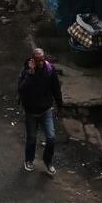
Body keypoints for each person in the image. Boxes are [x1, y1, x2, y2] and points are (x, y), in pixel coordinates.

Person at [18, 48, 62, 176]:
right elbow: (21, 89)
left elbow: (56, 88)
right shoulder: (27, 71)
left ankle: (48, 162)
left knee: (51, 138)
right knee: (31, 138)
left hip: (46, 110)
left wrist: (60, 106)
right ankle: (29, 160)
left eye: (43, 59)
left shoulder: (49, 69)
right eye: (38, 61)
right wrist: (30, 73)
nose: (41, 63)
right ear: (33, 60)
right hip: (31, 112)